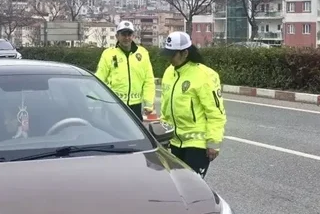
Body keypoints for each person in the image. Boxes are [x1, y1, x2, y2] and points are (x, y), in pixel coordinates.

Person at [159, 31, 226, 178]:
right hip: (174, 142)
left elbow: (215, 112)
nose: (169, 58)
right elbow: (165, 106)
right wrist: (163, 135)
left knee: (192, 189)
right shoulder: (169, 72)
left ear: (185, 53)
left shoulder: (204, 75)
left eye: (173, 54)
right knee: (175, 187)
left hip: (197, 145)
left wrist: (213, 142)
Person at [94, 20, 156, 120]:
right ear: (117, 36)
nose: (126, 38)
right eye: (123, 34)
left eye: (129, 34)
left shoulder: (143, 53)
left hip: (135, 106)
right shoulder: (108, 54)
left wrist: (149, 103)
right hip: (114, 105)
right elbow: (99, 78)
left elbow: (148, 80)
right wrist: (98, 100)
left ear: (133, 36)